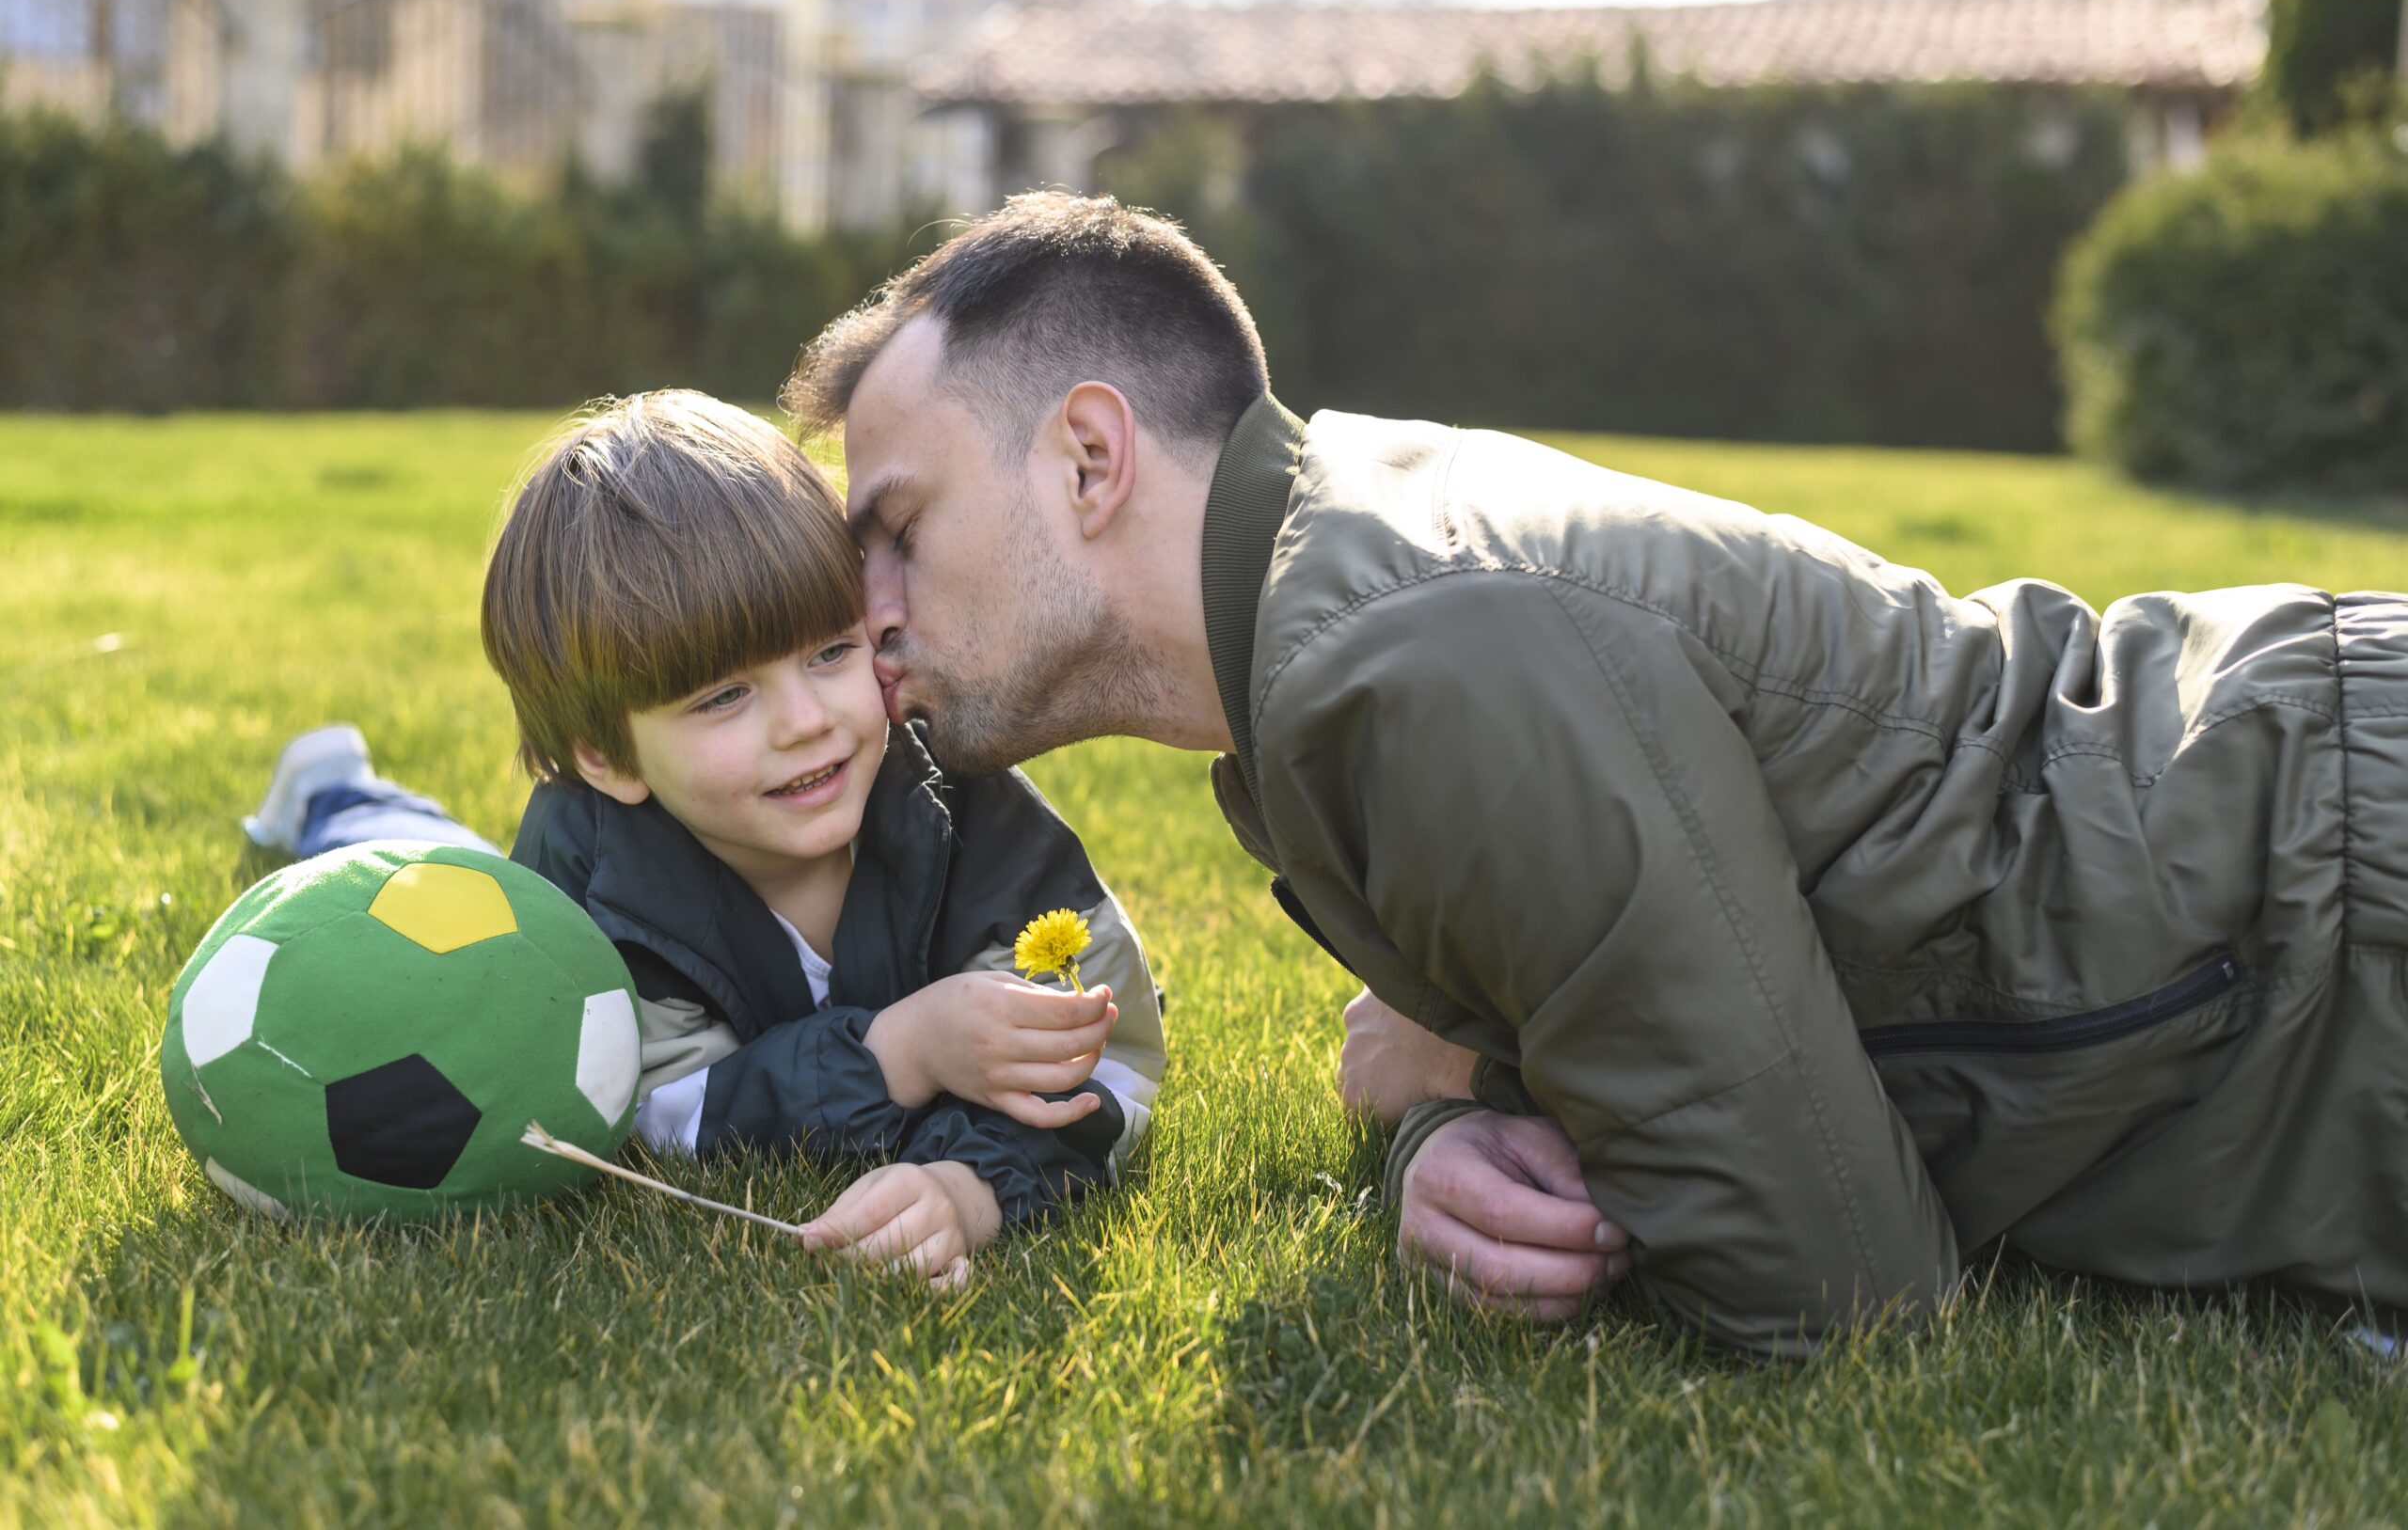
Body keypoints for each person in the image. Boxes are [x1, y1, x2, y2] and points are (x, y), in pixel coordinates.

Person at [781, 191, 2408, 1357]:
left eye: (900, 527)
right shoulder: (1323, 604)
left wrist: (1444, 1095)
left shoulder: (1402, 665)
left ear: (1087, 456)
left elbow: (1836, 1287)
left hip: (2344, 871)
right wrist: (1448, 1124)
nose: (865, 612)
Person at [242, 389, 1167, 1287]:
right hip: (528, 884)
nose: (806, 720)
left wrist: (964, 1188)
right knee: (433, 890)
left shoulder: (956, 794)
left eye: (831, 652)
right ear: (606, 753)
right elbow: (643, 1109)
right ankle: (336, 794)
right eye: (725, 695)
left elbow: (1108, 1050)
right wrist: (896, 1053)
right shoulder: (589, 885)